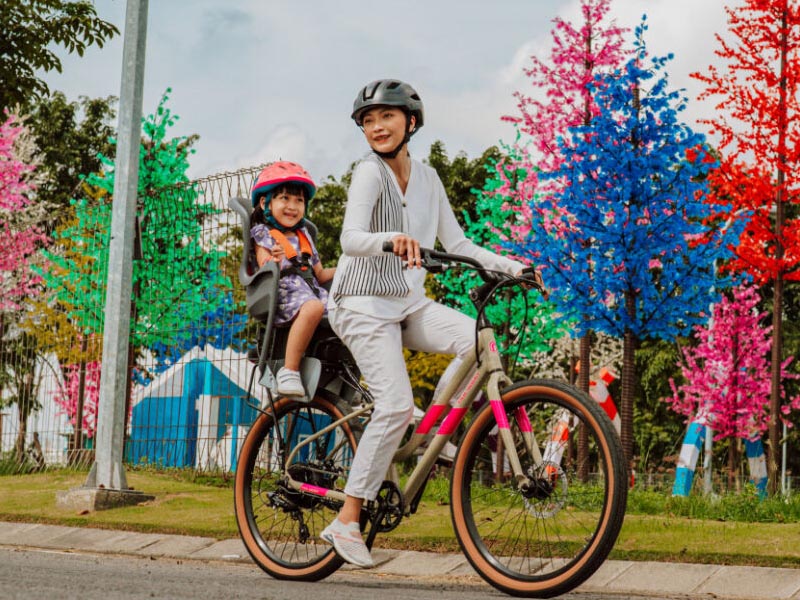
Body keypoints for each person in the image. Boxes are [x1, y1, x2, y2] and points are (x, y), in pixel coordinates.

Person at [320, 79, 540, 567]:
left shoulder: (429, 178)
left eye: (387, 117)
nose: (376, 127)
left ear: (411, 122)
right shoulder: (368, 174)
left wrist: (511, 266)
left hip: (405, 303)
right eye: (368, 120)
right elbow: (350, 237)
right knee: (394, 404)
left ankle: (430, 428)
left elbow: (458, 244)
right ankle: (348, 518)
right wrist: (392, 238)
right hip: (359, 303)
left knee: (479, 342)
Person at [250, 161, 335, 397]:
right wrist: (274, 259)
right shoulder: (264, 234)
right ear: (266, 203)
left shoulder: (304, 236)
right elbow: (263, 266)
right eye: (285, 198)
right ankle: (289, 370)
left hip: (311, 290)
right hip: (283, 292)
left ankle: (344, 379)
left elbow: (320, 275)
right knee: (313, 307)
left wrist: (349, 266)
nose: (292, 206)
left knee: (348, 311)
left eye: (299, 200)